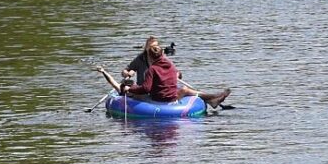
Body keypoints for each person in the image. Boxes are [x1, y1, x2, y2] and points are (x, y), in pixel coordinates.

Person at [96, 39, 230, 109]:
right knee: (184, 89)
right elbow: (128, 71)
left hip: (159, 98)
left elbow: (146, 89)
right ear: (162, 54)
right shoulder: (170, 64)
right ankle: (212, 97)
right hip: (172, 96)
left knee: (138, 93)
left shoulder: (152, 69)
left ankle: (213, 98)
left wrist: (129, 88)